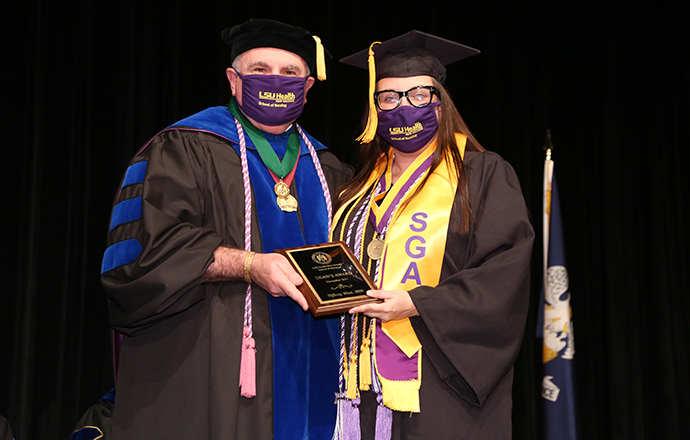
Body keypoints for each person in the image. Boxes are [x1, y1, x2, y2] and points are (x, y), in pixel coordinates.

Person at [100, 18, 352, 440]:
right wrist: (249, 265)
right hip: (210, 365)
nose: (275, 81)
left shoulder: (331, 170)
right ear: (233, 80)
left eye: (290, 73)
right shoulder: (184, 145)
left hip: (315, 373)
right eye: (260, 70)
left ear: (308, 87)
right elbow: (142, 251)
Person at [331, 31, 534, 439]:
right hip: (359, 379)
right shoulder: (357, 189)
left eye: (418, 95)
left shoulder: (482, 173)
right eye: (388, 98)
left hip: (442, 378)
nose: (402, 107)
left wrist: (416, 302)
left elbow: (504, 273)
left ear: (440, 104)